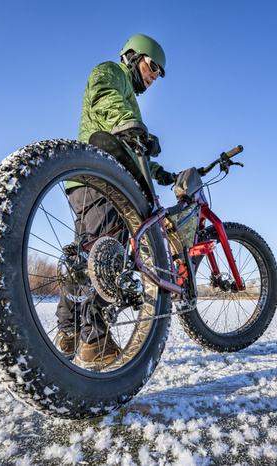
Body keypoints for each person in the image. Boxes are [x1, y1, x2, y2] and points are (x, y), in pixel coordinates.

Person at [55, 34, 176, 369]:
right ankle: (93, 341)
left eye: (159, 75)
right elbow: (104, 97)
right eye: (152, 68)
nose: (153, 77)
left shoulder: (130, 98)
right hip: (102, 181)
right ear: (133, 56)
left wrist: (161, 173)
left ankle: (68, 333)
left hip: (93, 180)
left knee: (86, 254)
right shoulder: (112, 73)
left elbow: (131, 153)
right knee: (105, 256)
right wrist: (130, 124)